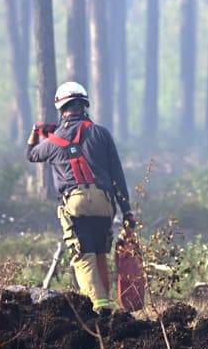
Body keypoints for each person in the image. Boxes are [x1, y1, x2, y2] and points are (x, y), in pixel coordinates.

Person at [27, 81, 136, 312]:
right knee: (99, 254)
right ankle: (106, 303)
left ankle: (98, 307)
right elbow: (117, 174)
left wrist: (37, 132)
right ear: (83, 106)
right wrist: (127, 210)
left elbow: (31, 154)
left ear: (61, 109)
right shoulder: (101, 133)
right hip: (105, 204)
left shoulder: (52, 142)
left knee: (83, 256)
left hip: (75, 204)